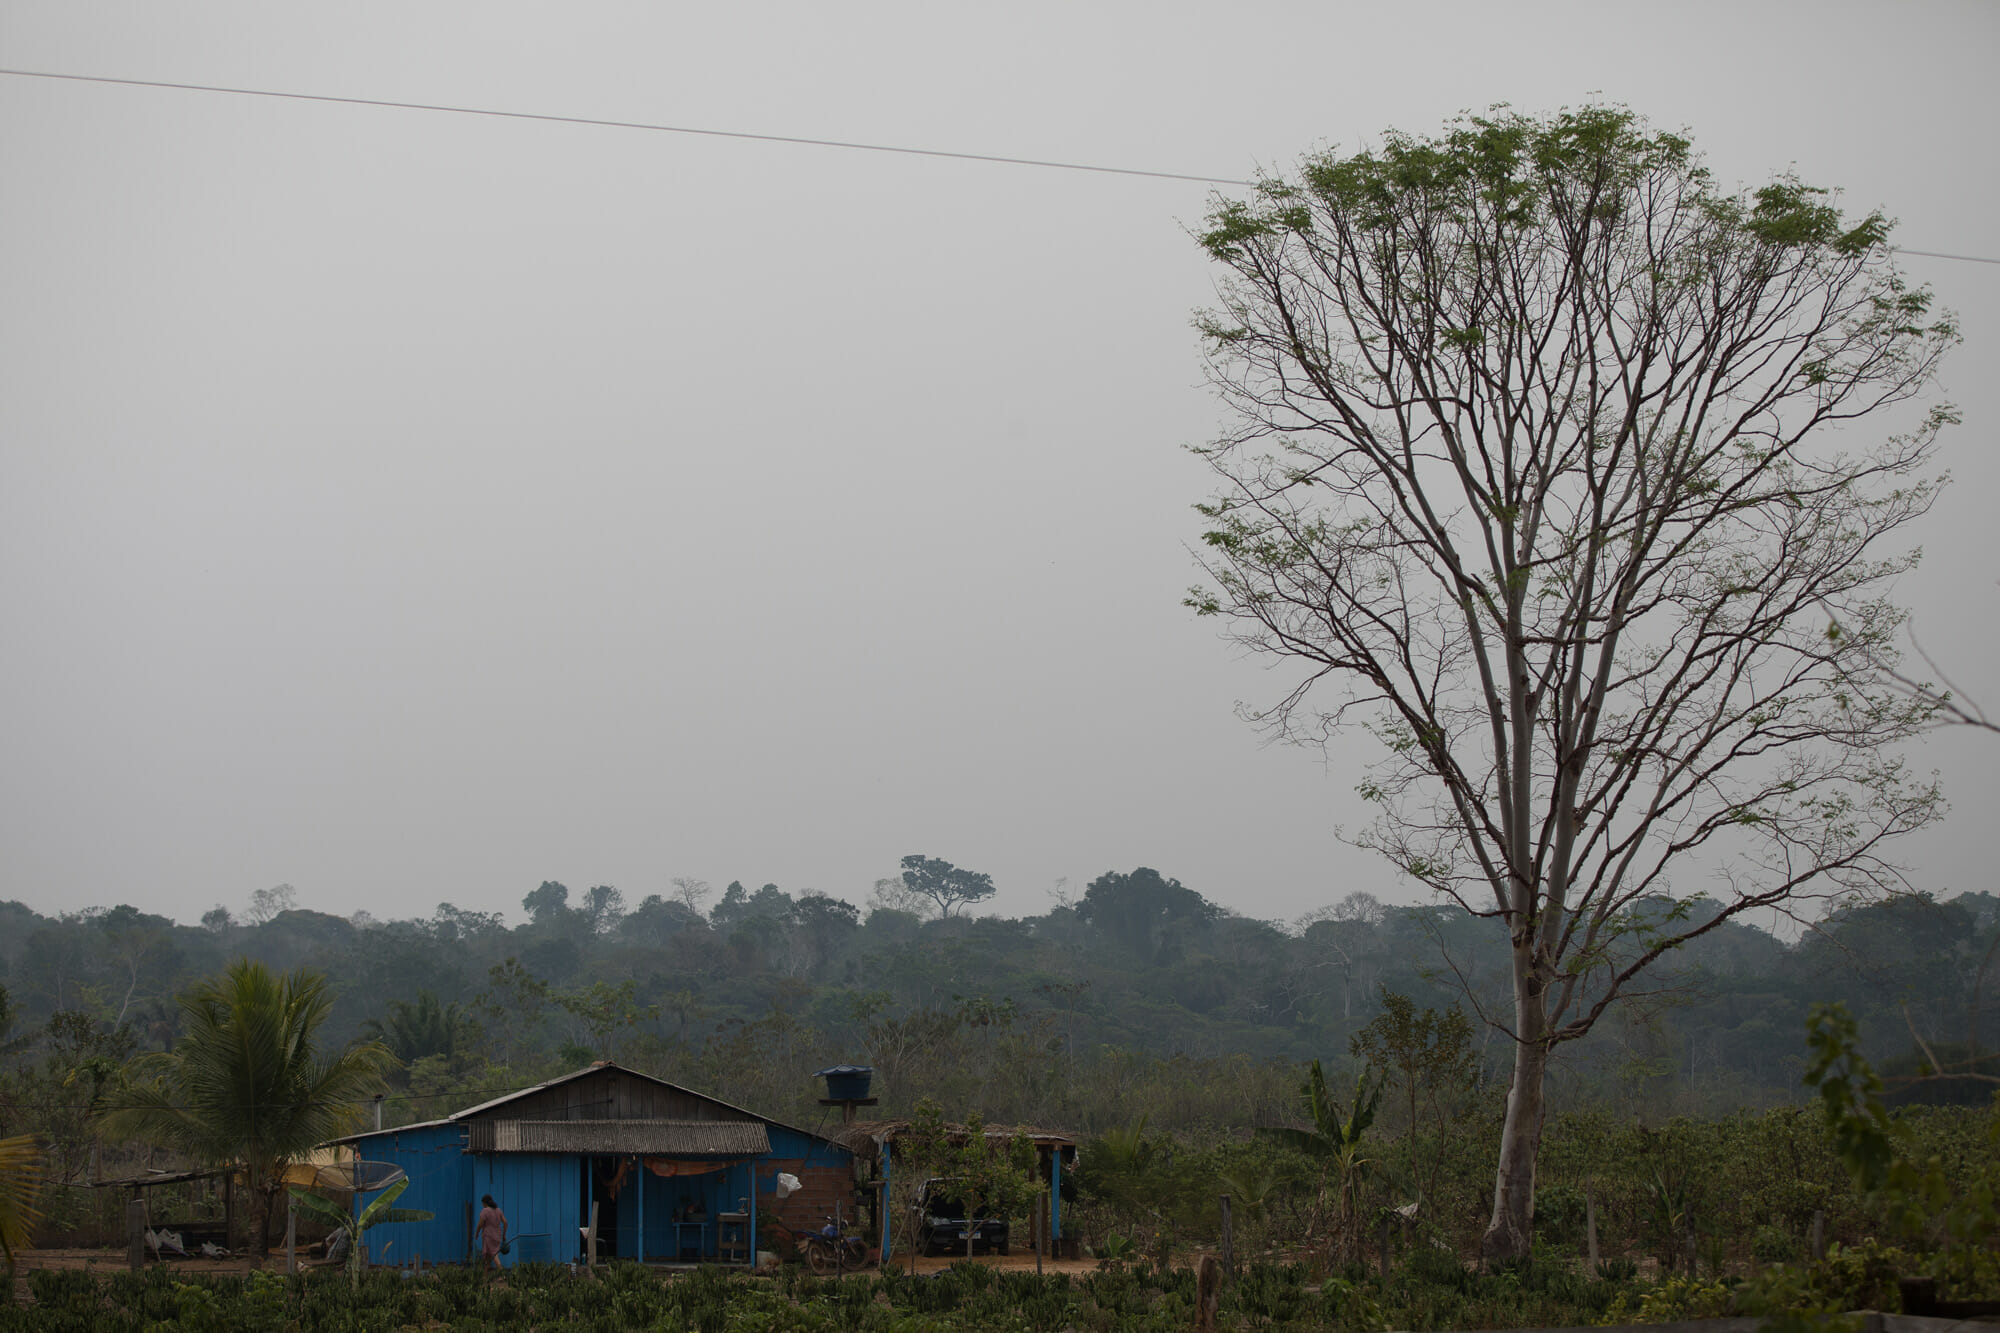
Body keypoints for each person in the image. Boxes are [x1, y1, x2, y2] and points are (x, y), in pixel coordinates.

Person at [476, 1193, 508, 1272]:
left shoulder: (485, 1211)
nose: (482, 1205)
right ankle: (485, 1277)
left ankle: (502, 1273)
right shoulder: (498, 1210)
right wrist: (504, 1234)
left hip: (488, 1236)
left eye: (482, 1203)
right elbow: (505, 1222)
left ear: (485, 1203)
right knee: (488, 1256)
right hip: (497, 1235)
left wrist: (477, 1233)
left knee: (494, 1254)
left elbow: (480, 1224)